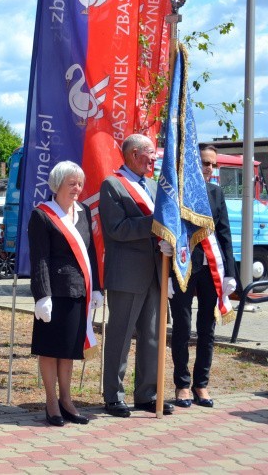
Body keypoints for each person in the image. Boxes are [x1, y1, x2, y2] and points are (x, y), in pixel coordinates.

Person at [99, 133, 175, 417]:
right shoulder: (112, 185)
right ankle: (113, 396)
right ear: (132, 154)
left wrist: (167, 239)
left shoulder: (155, 187)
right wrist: (155, 225)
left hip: (155, 271)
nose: (154, 158)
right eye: (150, 153)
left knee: (153, 336)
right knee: (120, 337)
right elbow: (117, 229)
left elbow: (162, 225)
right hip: (127, 274)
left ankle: (147, 394)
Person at [28, 161, 103, 426]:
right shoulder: (42, 215)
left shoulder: (83, 210)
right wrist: (42, 295)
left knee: (69, 351)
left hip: (77, 292)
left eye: (80, 184)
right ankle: (51, 402)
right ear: (57, 184)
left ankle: (67, 400)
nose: (77, 189)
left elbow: (90, 252)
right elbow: (40, 259)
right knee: (50, 350)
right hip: (53, 293)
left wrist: (96, 288)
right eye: (72, 183)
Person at [169, 145, 237, 408]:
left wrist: (230, 272)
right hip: (183, 268)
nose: (209, 168)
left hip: (211, 269)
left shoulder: (216, 192)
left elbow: (224, 234)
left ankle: (201, 384)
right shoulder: (178, 190)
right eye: (205, 163)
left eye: (212, 164)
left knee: (207, 329)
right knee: (182, 329)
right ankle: (182, 384)